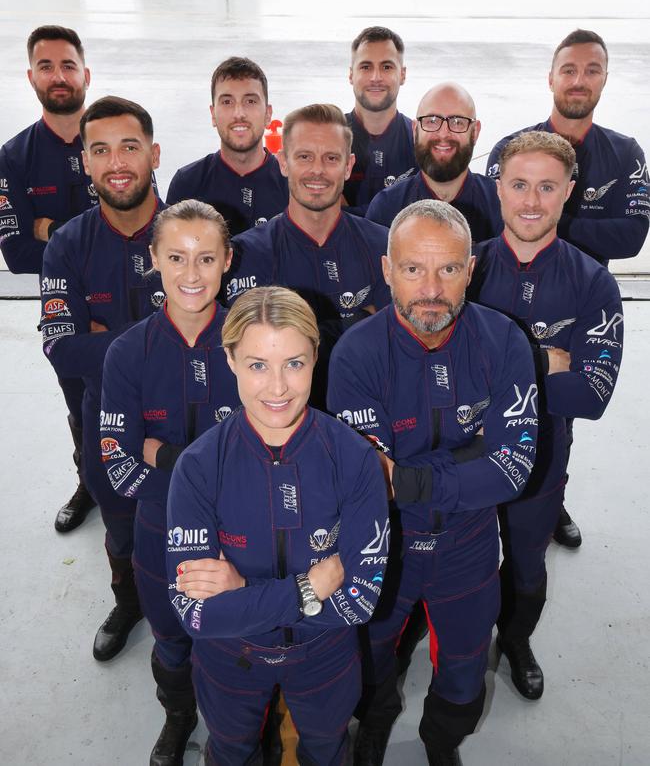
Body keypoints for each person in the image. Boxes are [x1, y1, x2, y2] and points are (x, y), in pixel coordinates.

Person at [327, 200, 538, 766]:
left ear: (470, 269)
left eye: (448, 269)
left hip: (468, 546)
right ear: (387, 270)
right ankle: (374, 724)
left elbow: (513, 470)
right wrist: (470, 459)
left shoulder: (506, 341)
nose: (431, 289)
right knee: (369, 654)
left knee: (467, 670)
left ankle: (440, 742)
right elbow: (372, 483)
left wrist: (414, 475)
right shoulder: (354, 355)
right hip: (383, 545)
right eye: (414, 269)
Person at [167, 286, 389, 766]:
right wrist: (307, 589)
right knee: (229, 751)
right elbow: (197, 617)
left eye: (294, 363)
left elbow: (359, 603)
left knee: (328, 750)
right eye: (257, 365)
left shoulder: (354, 458)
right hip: (230, 660)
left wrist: (241, 589)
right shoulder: (199, 466)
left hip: (326, 658)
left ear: (315, 356)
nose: (278, 388)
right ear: (228, 360)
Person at [468, 131, 623, 700]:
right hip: (465, 454)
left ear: (568, 193)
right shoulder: (467, 270)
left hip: (543, 458)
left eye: (547, 187)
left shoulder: (594, 283)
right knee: (459, 560)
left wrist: (497, 375)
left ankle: (515, 640)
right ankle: (459, 646)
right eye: (519, 185)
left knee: (528, 563)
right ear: (499, 190)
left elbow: (592, 397)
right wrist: (543, 364)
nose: (531, 201)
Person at [486, 28, 647, 548]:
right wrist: (544, 219)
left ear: (604, 78)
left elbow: (632, 235)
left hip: (580, 297)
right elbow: (496, 226)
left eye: (592, 70)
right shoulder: (511, 148)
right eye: (569, 69)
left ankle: (550, 501)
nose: (579, 80)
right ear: (551, 76)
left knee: (559, 417)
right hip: (509, 283)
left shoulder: (626, 153)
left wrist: (550, 227)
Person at [101, 200, 240, 765]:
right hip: (160, 535)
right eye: (176, 257)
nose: (191, 274)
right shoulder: (127, 353)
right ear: (153, 258)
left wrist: (166, 456)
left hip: (243, 533)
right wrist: (206, 483)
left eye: (206, 258)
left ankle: (236, 726)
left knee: (237, 638)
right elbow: (116, 462)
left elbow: (276, 451)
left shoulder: (256, 343)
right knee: (172, 638)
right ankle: (178, 714)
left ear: (228, 261)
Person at [41, 95, 165, 661]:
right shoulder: (68, 245)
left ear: (155, 155)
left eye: (130, 147)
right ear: (86, 163)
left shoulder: (193, 232)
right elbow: (62, 349)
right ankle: (129, 601)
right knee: (119, 523)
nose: (117, 162)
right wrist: (162, 339)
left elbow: (224, 341)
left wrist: (107, 338)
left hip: (190, 418)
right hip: (106, 421)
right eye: (101, 150)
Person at [221, 103, 390, 407]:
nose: (317, 170)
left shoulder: (385, 246)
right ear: (283, 162)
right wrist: (358, 319)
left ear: (349, 166)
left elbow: (394, 344)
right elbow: (248, 354)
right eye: (304, 157)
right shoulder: (246, 254)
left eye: (331, 158)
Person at [0, 25, 97, 533]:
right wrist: (89, 230)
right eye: (46, 66)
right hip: (64, 312)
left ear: (86, 72)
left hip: (131, 303)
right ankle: (89, 483)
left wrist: (48, 226)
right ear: (30, 76)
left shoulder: (115, 140)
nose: (58, 77)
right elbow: (16, 254)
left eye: (67, 65)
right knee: (79, 404)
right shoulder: (12, 158)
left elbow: (148, 225)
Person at [167, 56, 288, 235]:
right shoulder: (188, 183)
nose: (239, 113)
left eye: (250, 101)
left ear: (268, 114)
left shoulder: (293, 184)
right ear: (213, 114)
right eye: (227, 102)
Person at [367, 83, 502, 243]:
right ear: (415, 130)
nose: (444, 133)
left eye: (457, 122)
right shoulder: (386, 208)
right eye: (431, 121)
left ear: (475, 132)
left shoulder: (502, 205)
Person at [344, 26, 417, 215]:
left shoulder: (421, 141)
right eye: (366, 67)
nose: (376, 77)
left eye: (386, 67)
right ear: (351, 74)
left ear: (402, 74)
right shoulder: (327, 139)